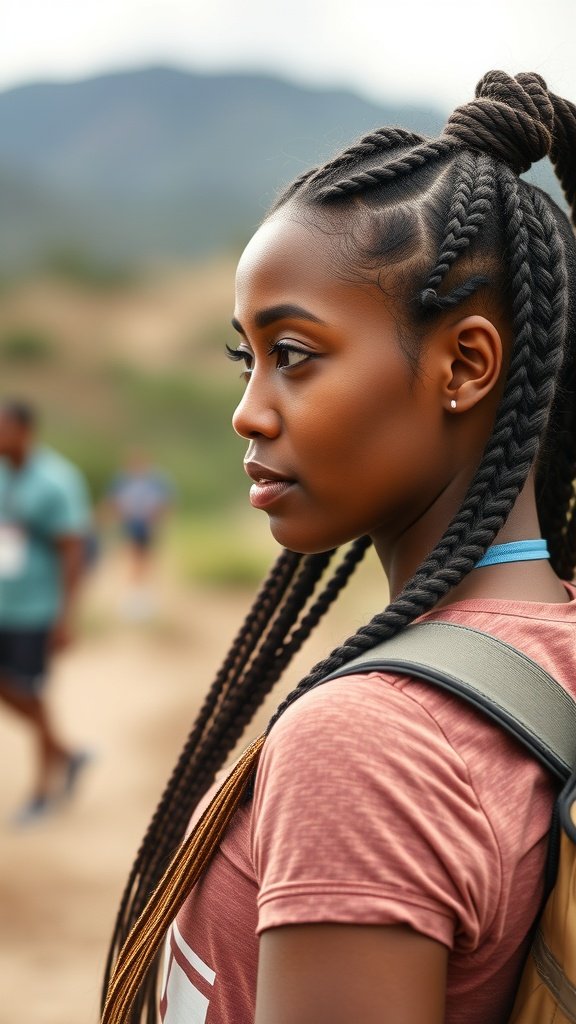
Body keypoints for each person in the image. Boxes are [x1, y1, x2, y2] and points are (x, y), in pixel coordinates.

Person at [102, 71, 576, 1024]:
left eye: (296, 354)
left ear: (466, 365)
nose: (249, 410)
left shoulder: (369, 749)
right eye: (248, 356)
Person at [0, 400, 92, 824]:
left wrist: (65, 617)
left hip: (36, 609)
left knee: (33, 692)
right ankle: (67, 754)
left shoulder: (56, 481)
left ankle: (42, 788)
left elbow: (72, 551)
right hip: (3, 602)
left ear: (24, 431)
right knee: (15, 690)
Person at [103, 451, 172, 619]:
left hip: (147, 526)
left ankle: (143, 597)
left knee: (145, 560)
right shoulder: (123, 480)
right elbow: (114, 502)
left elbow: (165, 503)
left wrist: (157, 521)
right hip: (131, 525)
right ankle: (134, 597)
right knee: (133, 559)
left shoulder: (156, 481)